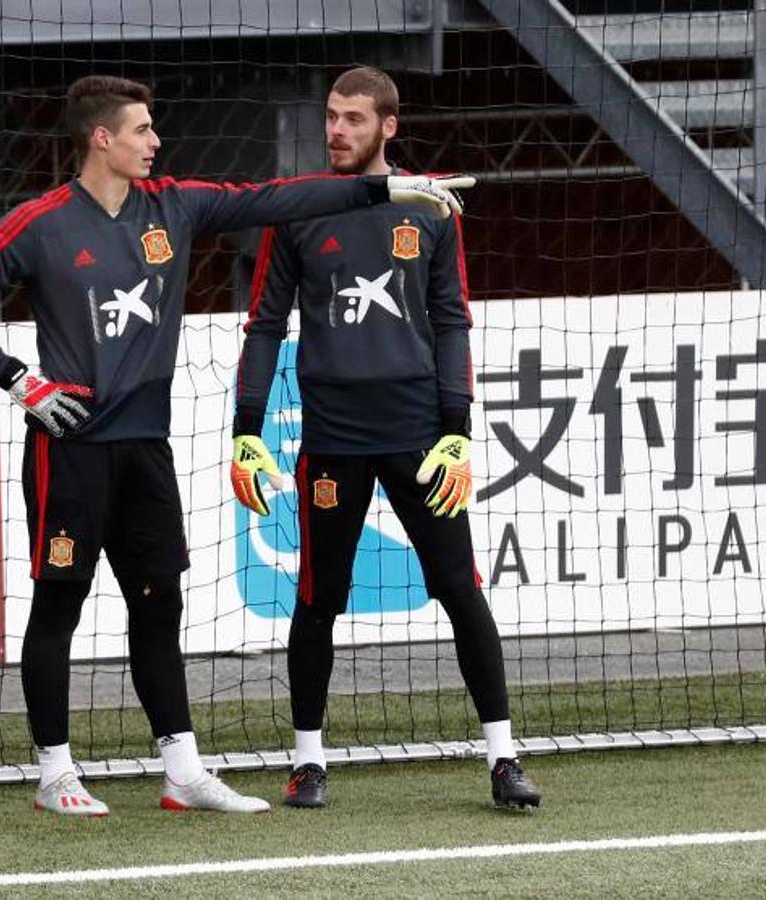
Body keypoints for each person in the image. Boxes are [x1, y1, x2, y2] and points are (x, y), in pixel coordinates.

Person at [0, 74, 472, 816]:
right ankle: (55, 774)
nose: (155, 143)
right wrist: (20, 381)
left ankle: (181, 772)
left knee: (160, 605)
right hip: (71, 450)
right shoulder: (41, 222)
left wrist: (390, 192)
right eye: (141, 131)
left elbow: (275, 201)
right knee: (59, 604)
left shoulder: (175, 206)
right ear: (101, 139)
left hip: (147, 449)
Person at [230, 67, 541, 811]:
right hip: (332, 438)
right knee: (316, 597)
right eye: (330, 116)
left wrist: (457, 430)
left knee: (460, 591)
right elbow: (265, 323)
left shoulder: (431, 210)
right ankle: (308, 762)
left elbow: (451, 319)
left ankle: (503, 759)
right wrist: (245, 427)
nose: (336, 130)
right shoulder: (296, 209)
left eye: (352, 119)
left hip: (418, 438)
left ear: (387, 127)